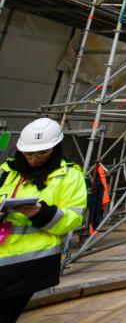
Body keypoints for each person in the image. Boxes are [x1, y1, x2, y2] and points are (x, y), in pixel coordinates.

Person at [0, 117, 87, 321]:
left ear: (55, 149)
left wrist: (41, 213)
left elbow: (73, 219)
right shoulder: (6, 171)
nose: (35, 158)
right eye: (29, 153)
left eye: (42, 153)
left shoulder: (70, 177)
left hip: (27, 263)